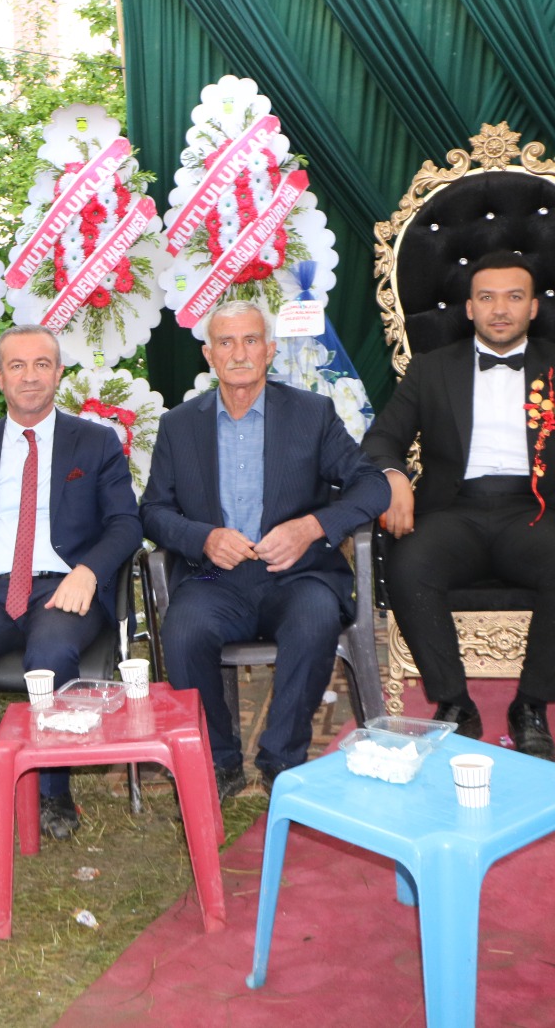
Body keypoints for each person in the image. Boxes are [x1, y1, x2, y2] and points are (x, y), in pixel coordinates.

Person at [363, 252, 555, 760]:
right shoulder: (431, 369)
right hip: (453, 511)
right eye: (487, 297)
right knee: (410, 564)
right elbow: (380, 440)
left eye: (513, 297)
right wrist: (393, 476)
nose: (499, 309)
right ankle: (455, 704)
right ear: (469, 308)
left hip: (538, 512)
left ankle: (530, 707)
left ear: (533, 308)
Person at [140, 300, 389, 797]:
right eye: (226, 342)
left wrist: (311, 528)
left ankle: (282, 759)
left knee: (315, 618)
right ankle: (218, 760)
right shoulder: (180, 425)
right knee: (183, 630)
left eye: (251, 340)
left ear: (270, 350)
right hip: (214, 578)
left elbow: (372, 486)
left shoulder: (311, 414)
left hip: (298, 576)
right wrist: (204, 538)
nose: (239, 353)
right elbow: (153, 511)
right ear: (209, 355)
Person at [0, 325, 141, 840]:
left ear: (58, 373)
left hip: (63, 585)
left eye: (41, 364)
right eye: (17, 366)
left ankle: (53, 793)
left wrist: (88, 571)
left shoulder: (95, 442)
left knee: (50, 657)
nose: (29, 376)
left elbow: (125, 524)